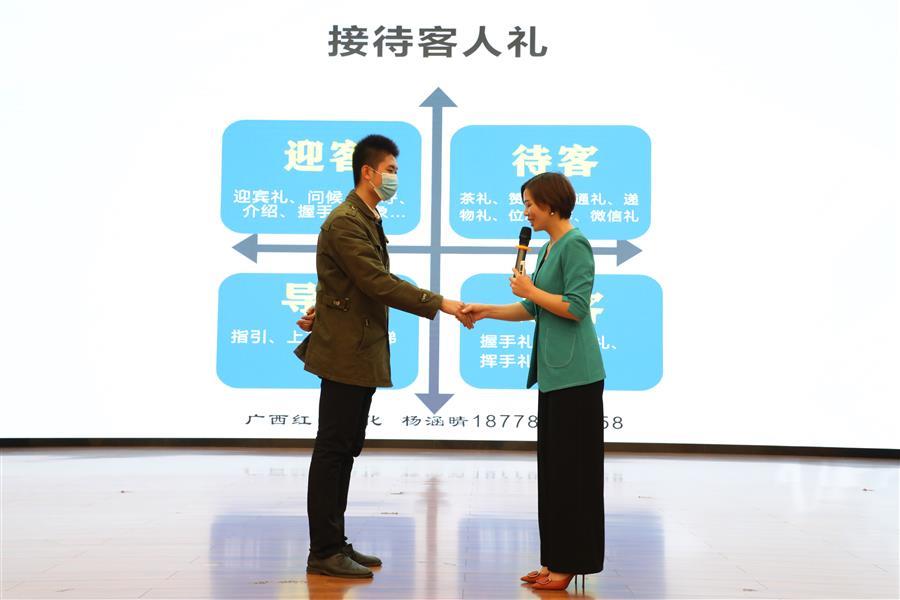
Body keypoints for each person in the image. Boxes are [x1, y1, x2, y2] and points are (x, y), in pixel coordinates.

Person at [293, 134, 472, 579]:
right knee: (334, 449)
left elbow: (344, 281)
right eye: (390, 170)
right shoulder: (345, 221)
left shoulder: (365, 217)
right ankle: (324, 550)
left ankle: (335, 541)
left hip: (357, 348)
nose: (394, 178)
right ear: (367, 172)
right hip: (344, 352)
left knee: (345, 448)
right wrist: (441, 303)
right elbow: (375, 281)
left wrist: (321, 307)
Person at [461, 172, 606, 592]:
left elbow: (575, 307)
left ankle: (570, 563)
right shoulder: (549, 247)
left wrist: (530, 290)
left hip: (577, 377)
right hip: (554, 376)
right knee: (554, 472)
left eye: (529, 204)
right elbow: (534, 308)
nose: (525, 212)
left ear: (551, 204)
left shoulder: (575, 244)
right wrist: (486, 310)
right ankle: (554, 559)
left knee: (573, 474)